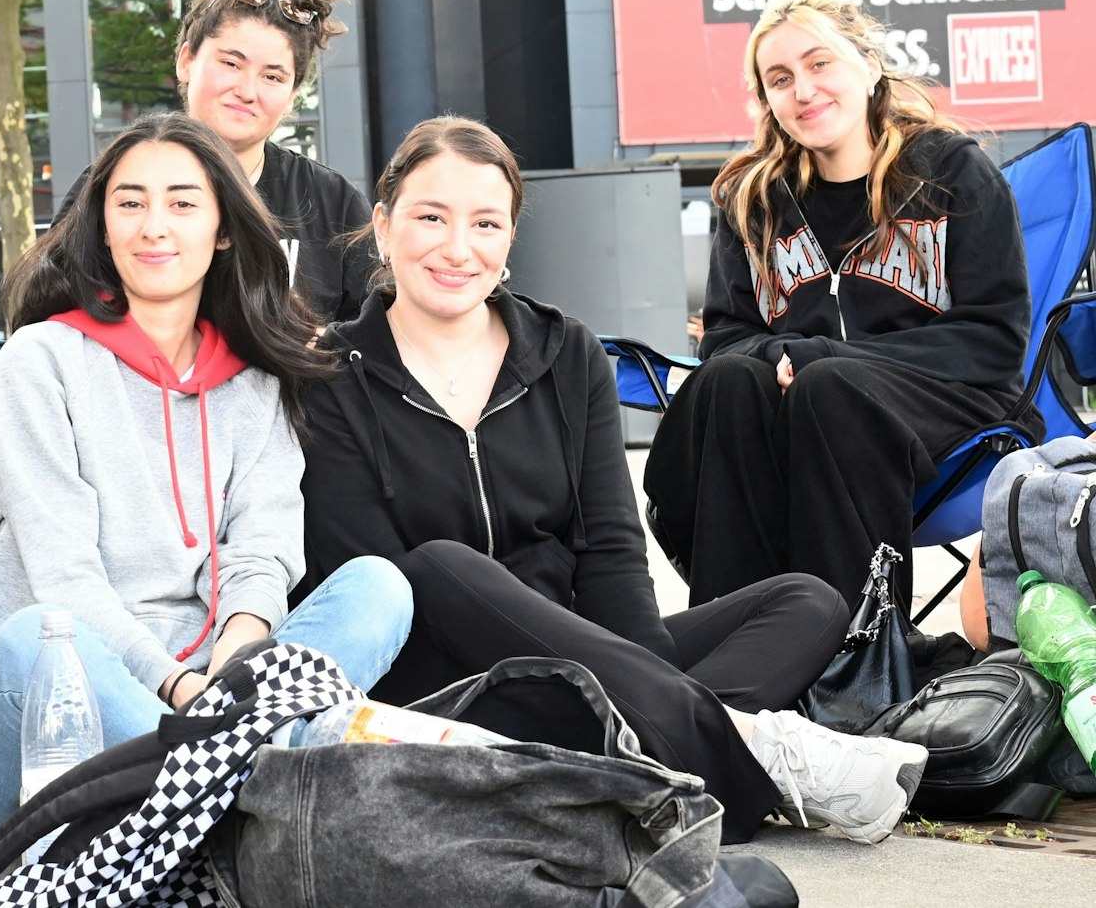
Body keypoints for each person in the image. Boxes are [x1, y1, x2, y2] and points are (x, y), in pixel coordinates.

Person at [298, 116, 929, 846]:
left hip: (585, 664)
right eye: (430, 217)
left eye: (485, 222)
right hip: (437, 688)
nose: (457, 247)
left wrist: (637, 679)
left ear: (509, 239)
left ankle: (636, 759)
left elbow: (610, 552)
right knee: (435, 567)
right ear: (382, 227)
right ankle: (736, 755)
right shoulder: (328, 374)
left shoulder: (566, 352)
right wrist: (633, 686)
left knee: (809, 600)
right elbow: (366, 579)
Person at [0, 113, 413, 840]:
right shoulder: (40, 360)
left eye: (182, 202)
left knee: (379, 586)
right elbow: (64, 579)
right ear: (100, 225)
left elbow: (261, 547)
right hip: (48, 718)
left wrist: (236, 656)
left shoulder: (255, 381)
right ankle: (259, 786)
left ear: (223, 228)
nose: (153, 225)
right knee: (37, 632)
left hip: (213, 692)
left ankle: (204, 797)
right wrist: (183, 689)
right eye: (129, 202)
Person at [642, 0, 1034, 611]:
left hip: (954, 404)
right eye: (780, 78)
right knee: (727, 384)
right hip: (797, 411)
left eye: (819, 63)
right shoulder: (753, 199)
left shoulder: (950, 172)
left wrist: (822, 357)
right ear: (767, 100)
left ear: (869, 65)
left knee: (831, 385)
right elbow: (726, 337)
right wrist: (779, 354)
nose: (803, 89)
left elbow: (994, 341)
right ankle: (741, 642)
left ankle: (860, 658)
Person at [58, 0, 377, 322]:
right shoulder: (114, 187)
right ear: (186, 60)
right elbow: (54, 313)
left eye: (273, 76)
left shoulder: (332, 204)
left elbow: (376, 341)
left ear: (293, 95)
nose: (246, 90)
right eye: (230, 63)